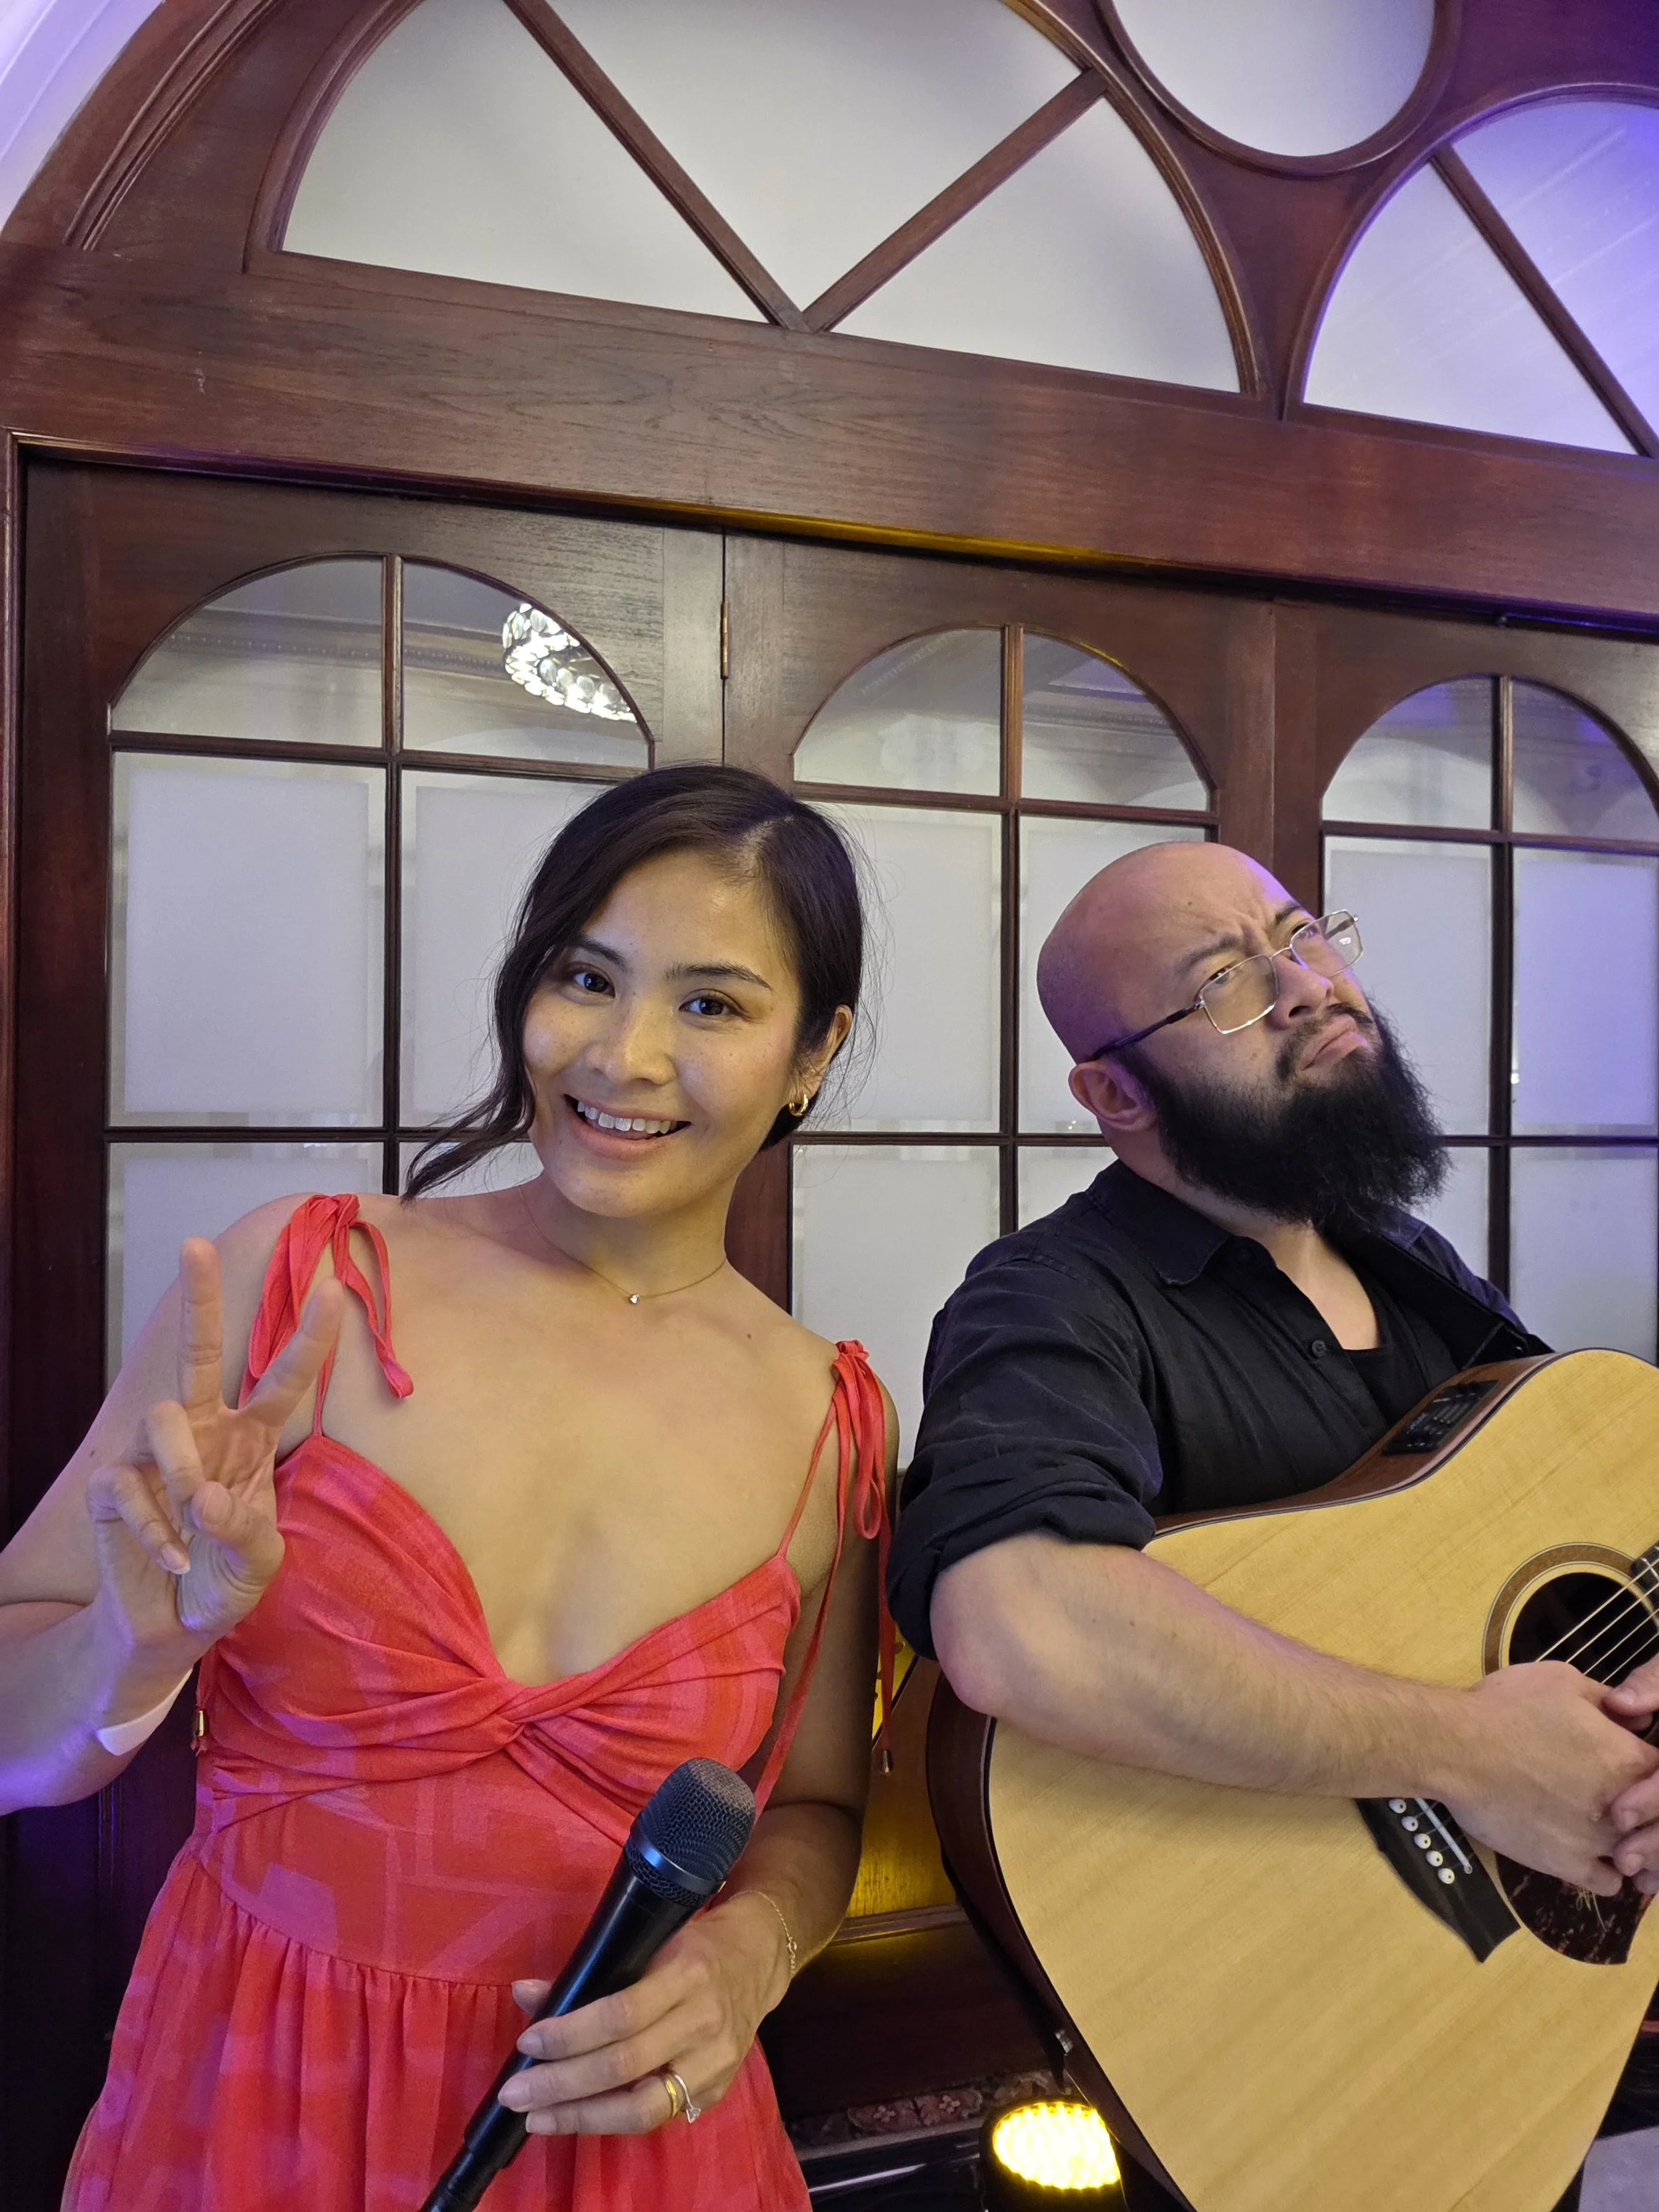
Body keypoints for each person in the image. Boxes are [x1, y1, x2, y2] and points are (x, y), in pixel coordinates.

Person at [0, 765, 896, 2212]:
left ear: (813, 1051)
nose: (624, 1054)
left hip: (623, 2146)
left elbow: (815, 1809)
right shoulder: (308, 1285)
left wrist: (748, 1956)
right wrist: (135, 1644)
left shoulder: (827, 1420)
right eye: (585, 978)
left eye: (711, 1005)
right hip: (256, 2099)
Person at [887, 839, 1659, 2212]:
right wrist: (1468, 1749)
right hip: (1281, 2056)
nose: (1306, 984)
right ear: (1113, 1092)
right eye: (1225, 982)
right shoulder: (1052, 1299)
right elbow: (1016, 1621)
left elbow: (1601, 1523)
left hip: (1502, 2035)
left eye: (1302, 935)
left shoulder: (1412, 1271)